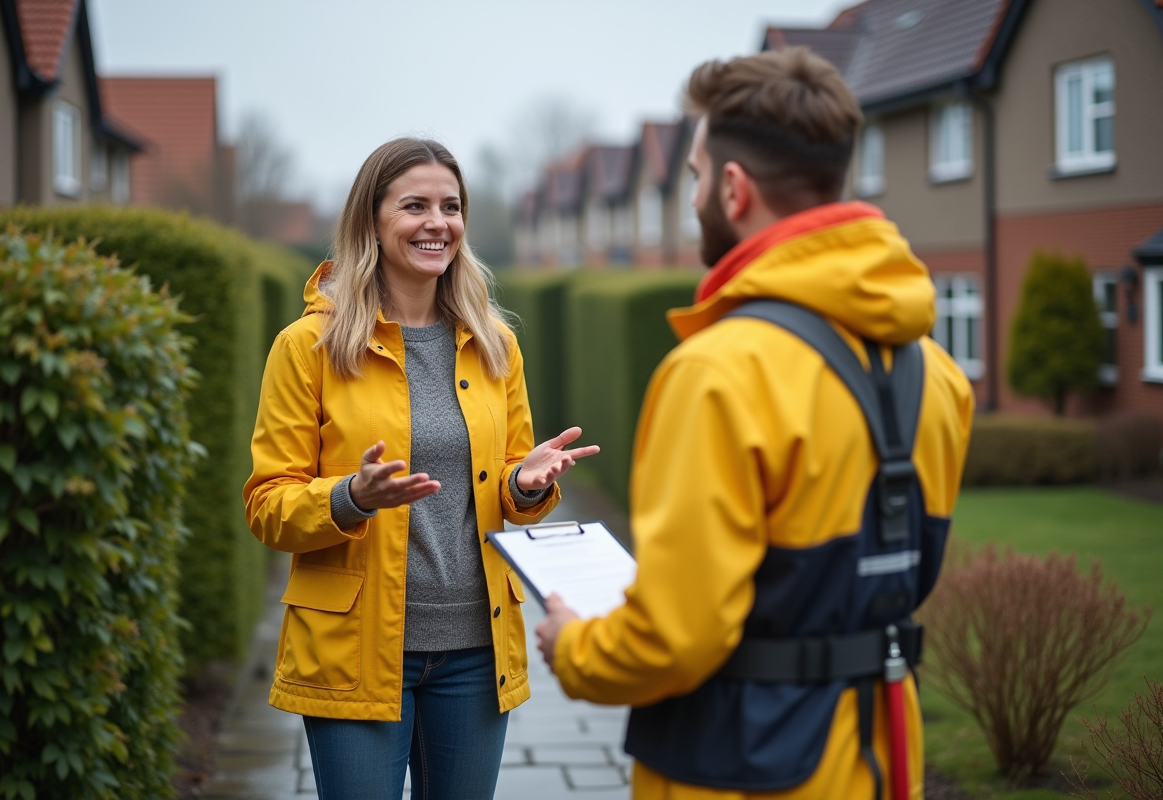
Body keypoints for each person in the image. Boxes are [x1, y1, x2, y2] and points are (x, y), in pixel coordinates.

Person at [536, 48, 974, 800]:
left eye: (698, 177)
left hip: (739, 767)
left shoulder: (715, 372)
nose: (695, 195)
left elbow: (675, 638)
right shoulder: (936, 371)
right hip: (880, 754)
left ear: (734, 190)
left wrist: (575, 647)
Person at [244, 137, 598, 800]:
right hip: (353, 649)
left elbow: (512, 479)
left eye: (451, 206)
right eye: (415, 206)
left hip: (476, 650)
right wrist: (350, 496)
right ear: (371, 222)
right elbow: (267, 505)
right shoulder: (308, 347)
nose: (438, 222)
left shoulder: (497, 345)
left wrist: (525, 485)